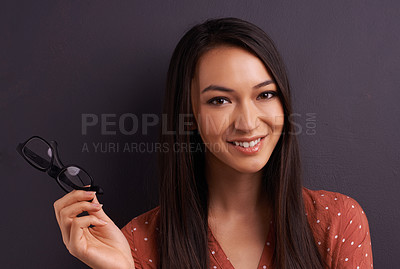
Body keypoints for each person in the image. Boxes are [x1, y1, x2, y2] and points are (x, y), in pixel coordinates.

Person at [53, 17, 373, 269]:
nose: (248, 122)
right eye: (220, 100)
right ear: (188, 114)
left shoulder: (338, 220)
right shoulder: (136, 243)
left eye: (265, 94)